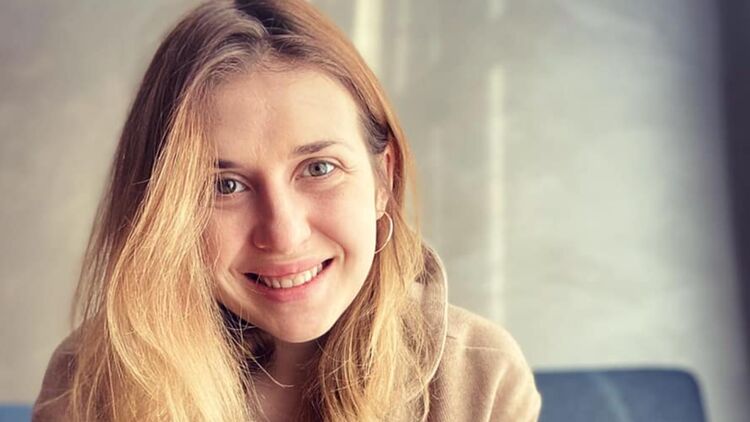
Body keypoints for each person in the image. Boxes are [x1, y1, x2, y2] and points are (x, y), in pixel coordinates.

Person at [32, 1, 541, 420]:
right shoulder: (87, 384)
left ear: (382, 180)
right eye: (225, 185)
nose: (283, 233)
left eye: (319, 168)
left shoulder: (478, 378)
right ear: (164, 212)